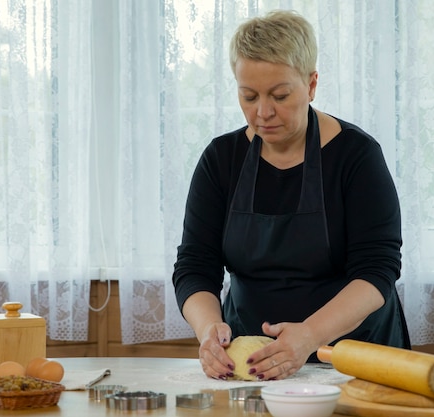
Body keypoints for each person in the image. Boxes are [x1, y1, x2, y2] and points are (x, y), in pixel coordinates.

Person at [172, 10, 410, 382]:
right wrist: (208, 331)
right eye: (248, 96)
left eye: (280, 95)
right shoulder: (221, 159)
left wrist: (310, 335)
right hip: (253, 364)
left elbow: (377, 270)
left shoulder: (356, 157)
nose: (262, 112)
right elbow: (195, 267)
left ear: (311, 85)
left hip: (353, 359)